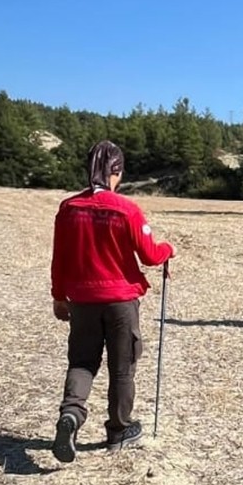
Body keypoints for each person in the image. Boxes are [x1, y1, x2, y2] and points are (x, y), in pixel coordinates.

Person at [49, 140, 175, 462]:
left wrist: (58, 297)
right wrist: (168, 250)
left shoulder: (68, 209)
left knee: (81, 362)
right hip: (120, 300)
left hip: (81, 300)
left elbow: (59, 258)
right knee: (122, 368)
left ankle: (72, 414)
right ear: (116, 171)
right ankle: (119, 430)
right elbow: (149, 255)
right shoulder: (127, 209)